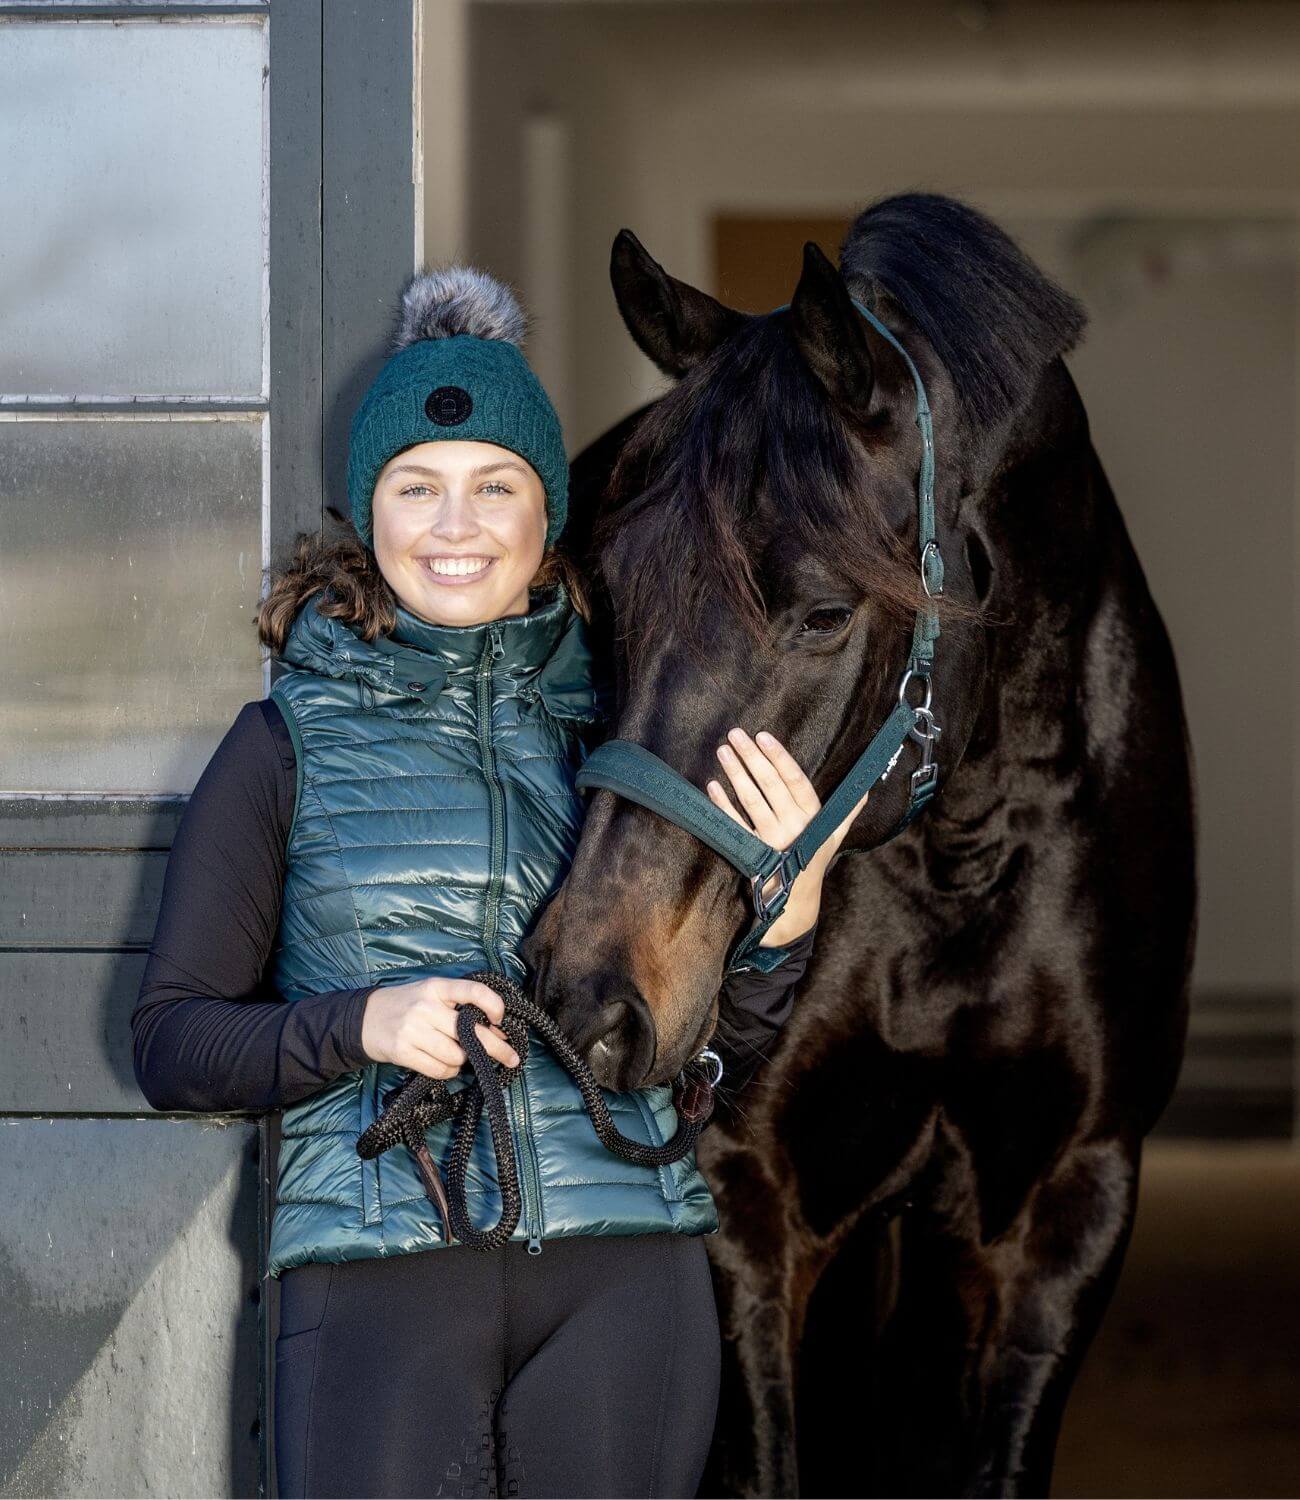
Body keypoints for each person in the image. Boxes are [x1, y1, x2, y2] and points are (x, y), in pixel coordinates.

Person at [131, 267, 866, 1499]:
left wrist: (785, 926)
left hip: (628, 1276)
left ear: (546, 514)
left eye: (495, 485)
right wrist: (362, 1024)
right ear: (370, 512)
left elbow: (712, 1059)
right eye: (417, 486)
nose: (454, 525)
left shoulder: (627, 733)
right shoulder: (282, 747)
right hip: (375, 1279)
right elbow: (171, 1045)